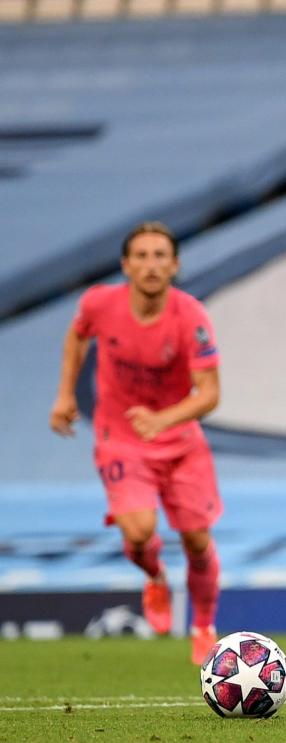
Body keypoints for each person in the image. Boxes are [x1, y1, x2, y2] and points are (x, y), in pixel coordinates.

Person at [50, 222, 225, 664]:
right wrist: (66, 394)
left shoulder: (191, 317)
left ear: (175, 264)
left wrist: (162, 419)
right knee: (139, 530)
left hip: (180, 440)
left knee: (198, 541)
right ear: (126, 265)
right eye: (142, 256)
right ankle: (155, 576)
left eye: (160, 256)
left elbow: (210, 394)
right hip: (120, 437)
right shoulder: (99, 303)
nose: (151, 265)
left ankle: (203, 626)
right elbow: (76, 336)